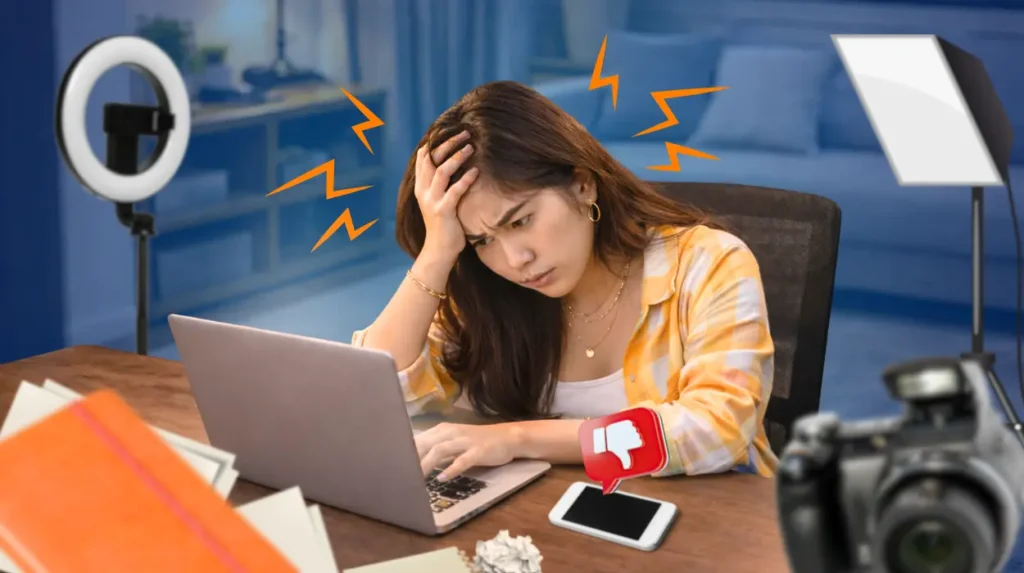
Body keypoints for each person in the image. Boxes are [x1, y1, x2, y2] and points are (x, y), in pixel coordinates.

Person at [352, 80, 778, 482]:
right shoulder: (489, 287)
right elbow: (376, 396)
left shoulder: (708, 263)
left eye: (521, 221)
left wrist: (518, 439)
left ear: (582, 185)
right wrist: (437, 254)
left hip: (710, 527)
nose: (515, 260)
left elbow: (717, 430)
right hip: (551, 524)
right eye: (481, 240)